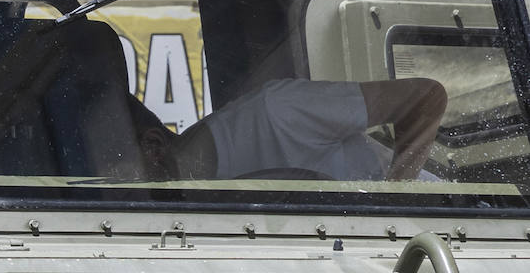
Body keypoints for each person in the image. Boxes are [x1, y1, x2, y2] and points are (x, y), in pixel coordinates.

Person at [134, 76, 448, 182]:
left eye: (110, 172)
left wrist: (392, 203)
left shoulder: (278, 109)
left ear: (153, 146)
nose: (112, 189)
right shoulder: (194, 213)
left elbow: (425, 97)